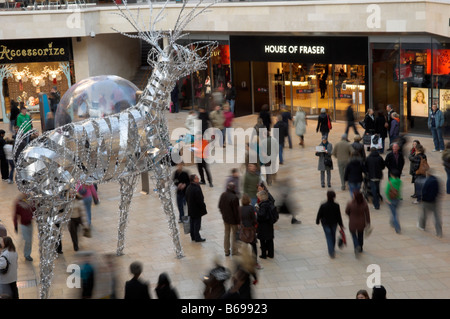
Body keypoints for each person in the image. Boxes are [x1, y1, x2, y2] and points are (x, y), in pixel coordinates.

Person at [316, 190, 344, 258]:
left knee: (328, 237)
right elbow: (338, 215)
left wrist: (317, 221)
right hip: (334, 223)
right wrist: (341, 224)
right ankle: (332, 248)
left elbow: (319, 214)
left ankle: (331, 252)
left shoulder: (323, 205)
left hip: (325, 224)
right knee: (333, 235)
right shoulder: (336, 205)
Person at [218, 182, 241, 257]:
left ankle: (226, 251)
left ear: (228, 187)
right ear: (234, 188)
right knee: (234, 235)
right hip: (233, 220)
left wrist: (223, 214)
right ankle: (234, 251)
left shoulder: (223, 195)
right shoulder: (235, 197)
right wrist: (238, 222)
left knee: (226, 234)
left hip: (225, 219)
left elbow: (220, 206)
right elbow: (236, 212)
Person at [345, 190, 370, 256]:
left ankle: (356, 246)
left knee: (353, 235)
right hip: (361, 222)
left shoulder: (350, 204)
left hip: (352, 223)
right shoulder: (364, 204)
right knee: (360, 235)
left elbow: (347, 212)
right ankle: (360, 247)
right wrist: (368, 222)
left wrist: (350, 215)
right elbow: (367, 214)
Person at [419, 169, 442, 238]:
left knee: (424, 214)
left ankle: (422, 226)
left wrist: (423, 199)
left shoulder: (427, 181)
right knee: (437, 217)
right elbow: (438, 190)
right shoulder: (436, 180)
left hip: (427, 201)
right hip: (434, 201)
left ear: (428, 174)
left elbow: (424, 191)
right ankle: (439, 232)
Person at [239, 193, 260, 269]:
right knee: (254, 247)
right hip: (250, 230)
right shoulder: (251, 208)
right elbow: (254, 219)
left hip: (243, 231)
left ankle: (244, 261)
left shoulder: (240, 208)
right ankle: (255, 262)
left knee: (244, 247)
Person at [185, 174, 208, 242]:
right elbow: (200, 200)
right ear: (194, 180)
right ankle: (197, 237)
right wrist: (203, 206)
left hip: (190, 209)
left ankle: (193, 237)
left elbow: (186, 198)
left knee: (192, 223)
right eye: (197, 178)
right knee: (197, 224)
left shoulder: (188, 187)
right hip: (197, 210)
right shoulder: (196, 188)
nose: (198, 179)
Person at [13, 193, 35, 261]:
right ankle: (21, 254)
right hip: (23, 225)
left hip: (30, 223)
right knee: (26, 240)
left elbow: (34, 209)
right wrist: (15, 225)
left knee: (29, 240)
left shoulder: (31, 201)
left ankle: (27, 254)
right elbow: (15, 215)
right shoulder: (18, 204)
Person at [256, 190, 275, 259]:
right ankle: (271, 254)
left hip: (263, 226)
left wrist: (257, 210)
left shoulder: (263, 205)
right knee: (270, 239)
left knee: (262, 240)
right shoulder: (270, 203)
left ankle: (263, 255)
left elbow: (261, 215)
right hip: (269, 225)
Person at [385, 169, 402, 234]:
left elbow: (387, 191)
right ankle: (392, 222)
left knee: (394, 214)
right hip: (398, 199)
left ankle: (397, 227)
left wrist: (388, 199)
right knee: (394, 212)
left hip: (391, 200)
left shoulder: (390, 182)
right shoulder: (400, 181)